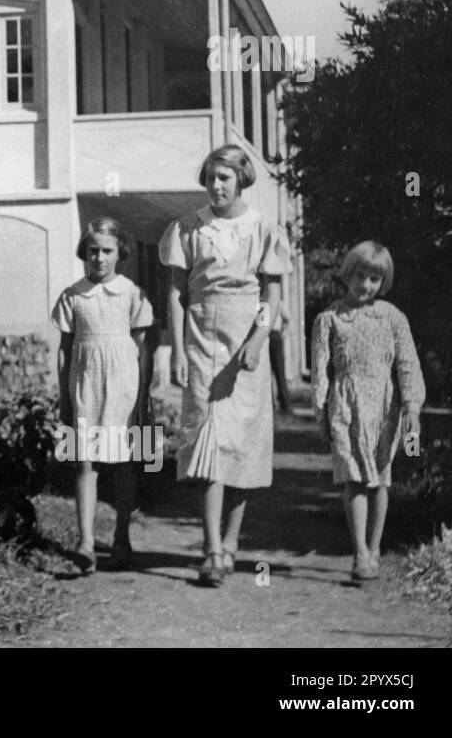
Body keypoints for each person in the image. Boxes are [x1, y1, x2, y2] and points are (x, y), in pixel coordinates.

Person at [159, 145, 291, 586]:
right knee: (208, 444)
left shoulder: (262, 229)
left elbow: (271, 296)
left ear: (241, 180)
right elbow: (177, 295)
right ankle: (211, 548)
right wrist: (177, 349)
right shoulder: (188, 229)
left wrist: (259, 339)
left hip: (244, 344)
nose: (216, 186)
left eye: (225, 178)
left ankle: (231, 542)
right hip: (201, 339)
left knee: (240, 447)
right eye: (211, 177)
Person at [312, 241, 425, 583]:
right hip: (344, 406)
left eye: (374, 278)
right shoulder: (328, 319)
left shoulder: (393, 317)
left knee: (379, 480)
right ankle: (359, 550)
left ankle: (375, 548)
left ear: (383, 281)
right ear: (347, 274)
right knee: (353, 478)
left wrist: (412, 408)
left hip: (383, 409)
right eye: (360, 275)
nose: (365, 284)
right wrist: (320, 411)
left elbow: (407, 364)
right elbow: (320, 370)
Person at [53, 217, 153, 574]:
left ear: (119, 253)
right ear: (84, 252)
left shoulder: (131, 294)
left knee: (124, 462)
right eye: (92, 250)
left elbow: (143, 351)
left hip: (124, 387)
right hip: (85, 386)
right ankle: (86, 543)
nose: (99, 257)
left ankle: (122, 539)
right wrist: (64, 395)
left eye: (107, 251)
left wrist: (142, 399)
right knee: (86, 461)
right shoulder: (73, 295)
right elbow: (65, 350)